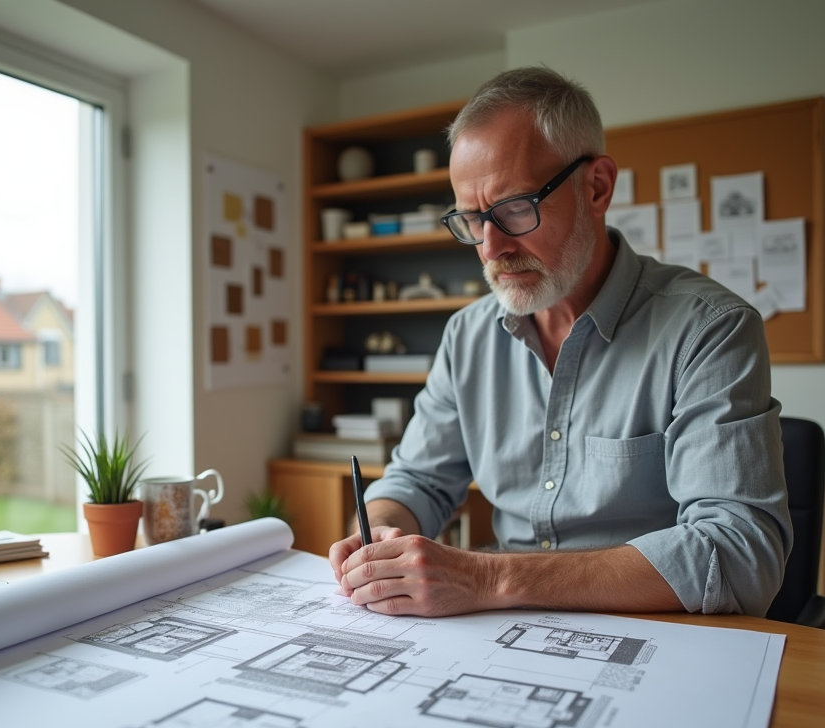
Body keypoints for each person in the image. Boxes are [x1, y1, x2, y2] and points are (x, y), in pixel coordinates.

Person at [329, 66, 791, 619]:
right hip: (505, 639)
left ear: (596, 187)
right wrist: (380, 529)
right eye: (472, 220)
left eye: (514, 209)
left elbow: (738, 555)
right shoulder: (468, 335)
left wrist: (486, 577)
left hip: (656, 638)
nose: (490, 249)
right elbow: (418, 480)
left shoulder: (709, 329)